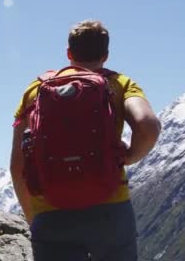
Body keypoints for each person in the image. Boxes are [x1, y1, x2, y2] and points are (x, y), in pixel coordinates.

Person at [9, 20, 161, 261]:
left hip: (51, 210)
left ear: (69, 53)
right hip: (110, 208)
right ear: (106, 55)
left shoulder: (36, 90)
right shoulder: (120, 84)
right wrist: (130, 156)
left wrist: (35, 218)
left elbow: (18, 166)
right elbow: (147, 125)